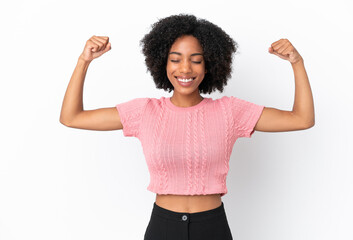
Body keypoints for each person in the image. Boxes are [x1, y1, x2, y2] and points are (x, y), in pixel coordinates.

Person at [60, 14, 314, 240]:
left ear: (209, 65)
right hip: (163, 227)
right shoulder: (143, 111)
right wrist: (84, 61)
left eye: (196, 60)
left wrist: (297, 62)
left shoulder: (230, 112)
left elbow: (302, 119)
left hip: (212, 227)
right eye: (175, 59)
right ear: (163, 63)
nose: (185, 69)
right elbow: (71, 117)